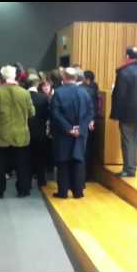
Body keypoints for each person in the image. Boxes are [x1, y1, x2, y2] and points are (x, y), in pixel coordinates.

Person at [0, 65, 35, 198]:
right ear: (15, 76)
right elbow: (32, 112)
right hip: (21, 136)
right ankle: (24, 189)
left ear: (1, 77)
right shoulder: (24, 93)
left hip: (1, 136)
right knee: (22, 165)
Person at [50, 68, 94, 198]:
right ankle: (78, 192)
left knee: (63, 161)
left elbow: (55, 113)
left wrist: (68, 128)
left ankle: (63, 192)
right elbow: (91, 112)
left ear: (64, 77)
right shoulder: (84, 93)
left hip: (63, 133)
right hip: (80, 133)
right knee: (78, 160)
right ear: (76, 78)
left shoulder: (57, 93)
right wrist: (80, 128)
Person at [110, 46, 137, 178]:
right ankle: (131, 168)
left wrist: (115, 113)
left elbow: (119, 95)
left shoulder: (124, 73)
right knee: (134, 140)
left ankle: (128, 169)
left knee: (127, 141)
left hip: (126, 112)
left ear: (127, 57)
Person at [27, 75, 49, 188]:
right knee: (40, 157)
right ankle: (41, 181)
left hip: (25, 132)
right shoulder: (43, 98)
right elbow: (46, 116)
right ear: (37, 84)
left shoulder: (23, 96)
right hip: (40, 131)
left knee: (26, 158)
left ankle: (26, 182)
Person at [81, 70, 100, 180]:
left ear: (86, 79)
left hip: (86, 122)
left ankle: (84, 175)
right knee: (89, 149)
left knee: (84, 149)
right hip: (92, 121)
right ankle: (88, 174)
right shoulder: (95, 88)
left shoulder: (85, 90)